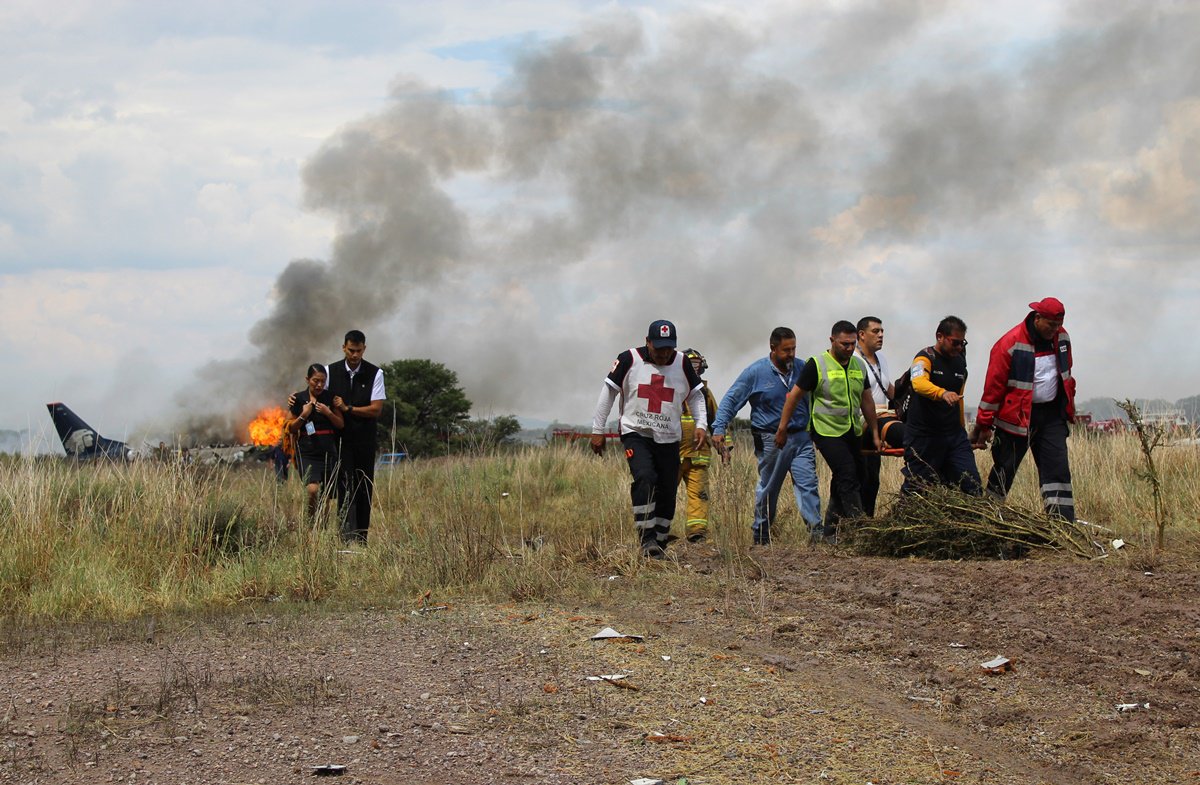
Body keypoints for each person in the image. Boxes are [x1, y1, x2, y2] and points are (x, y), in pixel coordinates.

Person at [591, 320, 708, 559]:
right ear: (648, 342)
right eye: (659, 348)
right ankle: (647, 539)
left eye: (669, 349)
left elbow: (696, 395)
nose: (664, 354)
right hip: (636, 433)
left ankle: (660, 539)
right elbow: (609, 391)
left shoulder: (682, 363)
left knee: (667, 489)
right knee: (645, 477)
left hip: (669, 438)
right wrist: (597, 429)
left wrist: (701, 424)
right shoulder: (628, 359)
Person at [711, 327, 821, 546]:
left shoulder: (802, 368)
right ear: (773, 348)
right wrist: (719, 428)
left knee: (808, 484)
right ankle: (761, 535)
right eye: (786, 350)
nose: (791, 354)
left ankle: (816, 532)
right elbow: (731, 400)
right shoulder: (756, 372)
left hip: (800, 437)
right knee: (769, 487)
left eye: (794, 348)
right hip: (770, 440)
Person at [970, 298, 1077, 521]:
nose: (1055, 330)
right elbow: (993, 388)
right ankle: (988, 519)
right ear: (1037, 318)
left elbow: (1066, 375)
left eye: (1058, 325)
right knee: (1004, 469)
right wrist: (984, 424)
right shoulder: (1009, 343)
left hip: (1051, 418)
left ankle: (1063, 525)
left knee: (1057, 470)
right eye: (1051, 325)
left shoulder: (1062, 337)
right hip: (1016, 421)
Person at [776, 321, 881, 541]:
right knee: (847, 475)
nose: (849, 348)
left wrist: (874, 432)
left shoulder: (858, 366)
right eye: (844, 344)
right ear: (832, 340)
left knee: (858, 475)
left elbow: (867, 400)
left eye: (853, 344)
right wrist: (782, 428)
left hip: (852, 430)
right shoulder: (817, 364)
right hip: (826, 431)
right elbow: (793, 397)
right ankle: (858, 529)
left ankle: (830, 532)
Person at [900, 316, 981, 495]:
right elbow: (918, 383)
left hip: (953, 435)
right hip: (923, 435)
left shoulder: (960, 364)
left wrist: (962, 431)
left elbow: (959, 400)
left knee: (971, 484)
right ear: (940, 337)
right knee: (918, 488)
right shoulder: (924, 358)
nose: (959, 347)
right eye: (955, 343)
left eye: (963, 343)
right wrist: (942, 393)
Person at [326, 330, 386, 543]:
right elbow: (317, 397)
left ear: (364, 349)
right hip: (340, 441)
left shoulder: (375, 374)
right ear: (344, 347)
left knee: (363, 488)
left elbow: (375, 409)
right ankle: (344, 538)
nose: (354, 355)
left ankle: (361, 538)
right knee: (344, 487)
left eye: (358, 351)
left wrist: (348, 409)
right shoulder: (330, 372)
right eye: (351, 350)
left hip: (365, 441)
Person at [287, 363, 345, 521]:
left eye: (322, 381)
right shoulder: (298, 399)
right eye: (315, 381)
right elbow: (291, 428)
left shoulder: (330, 397)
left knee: (326, 495)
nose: (319, 385)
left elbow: (340, 424)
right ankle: (311, 522)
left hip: (328, 451)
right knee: (312, 490)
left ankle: (322, 529)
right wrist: (303, 415)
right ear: (307, 380)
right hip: (307, 451)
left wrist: (328, 413)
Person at [677, 349, 721, 543]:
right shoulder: (672, 387)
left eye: (696, 365)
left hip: (698, 454)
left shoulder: (705, 392)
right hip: (673, 453)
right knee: (666, 492)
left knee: (699, 494)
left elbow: (716, 421)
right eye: (690, 364)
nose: (694, 369)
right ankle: (659, 530)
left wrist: (724, 445)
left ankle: (697, 531)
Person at [854, 316, 896, 515]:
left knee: (873, 478)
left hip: (881, 420)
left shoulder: (882, 359)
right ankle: (852, 525)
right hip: (862, 423)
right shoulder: (853, 359)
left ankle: (867, 522)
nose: (880, 335)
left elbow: (888, 388)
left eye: (882, 331)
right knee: (858, 477)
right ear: (861, 335)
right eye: (875, 331)